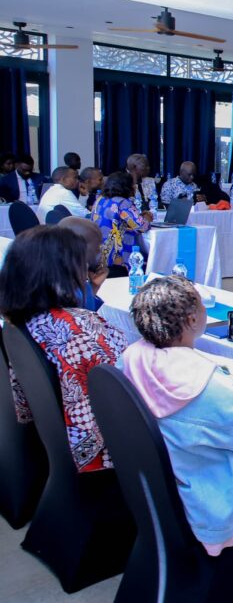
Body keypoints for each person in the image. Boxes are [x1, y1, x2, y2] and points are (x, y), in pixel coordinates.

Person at [122, 275, 233, 559]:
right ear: (192, 320)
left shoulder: (130, 358)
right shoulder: (212, 390)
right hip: (219, 496)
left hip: (171, 480)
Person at [0, 226, 126, 474]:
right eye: (81, 264)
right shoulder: (79, 329)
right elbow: (124, 386)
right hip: (103, 460)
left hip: (47, 448)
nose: (86, 270)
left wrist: (90, 292)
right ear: (61, 271)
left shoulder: (21, 320)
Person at [95, 171, 151, 267]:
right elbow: (142, 227)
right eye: (133, 185)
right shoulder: (122, 202)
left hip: (99, 252)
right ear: (126, 187)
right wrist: (147, 218)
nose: (135, 187)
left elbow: (117, 219)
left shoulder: (100, 199)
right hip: (117, 255)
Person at [59, 215, 110, 311]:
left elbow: (86, 312)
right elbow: (79, 317)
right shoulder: (59, 287)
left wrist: (94, 286)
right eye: (96, 246)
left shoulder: (78, 280)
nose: (99, 251)